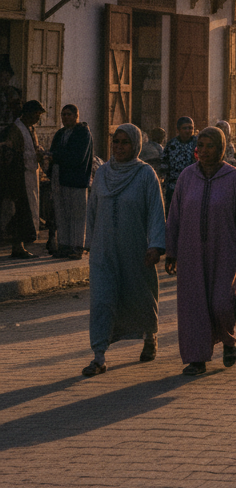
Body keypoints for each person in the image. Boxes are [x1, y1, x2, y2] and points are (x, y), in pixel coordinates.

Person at [165, 126, 236, 376]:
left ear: (221, 148)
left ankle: (229, 341)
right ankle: (197, 358)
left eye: (210, 146)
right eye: (200, 146)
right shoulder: (186, 177)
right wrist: (171, 250)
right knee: (193, 306)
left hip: (225, 252)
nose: (203, 151)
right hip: (191, 253)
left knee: (221, 304)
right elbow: (175, 216)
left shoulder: (233, 178)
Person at [82, 124, 166, 376]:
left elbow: (155, 212)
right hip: (104, 250)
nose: (118, 147)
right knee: (101, 300)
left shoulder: (145, 175)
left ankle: (150, 337)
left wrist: (155, 245)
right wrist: (90, 244)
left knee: (140, 294)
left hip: (136, 249)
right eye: (115, 142)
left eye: (125, 142)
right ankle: (98, 355)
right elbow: (93, 210)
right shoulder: (103, 173)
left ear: (136, 145)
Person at [1, 98, 45, 258]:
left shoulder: (30, 129)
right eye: (36, 114)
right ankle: (17, 246)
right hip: (17, 177)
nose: (37, 119)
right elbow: (8, 153)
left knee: (25, 211)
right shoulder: (15, 129)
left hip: (29, 176)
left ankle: (19, 246)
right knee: (20, 211)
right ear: (27, 114)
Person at [48, 104, 93, 259]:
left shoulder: (82, 133)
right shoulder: (60, 133)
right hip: (60, 178)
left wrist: (56, 157)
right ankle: (64, 245)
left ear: (76, 116)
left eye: (68, 114)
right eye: (63, 114)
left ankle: (77, 246)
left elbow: (77, 157)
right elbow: (54, 152)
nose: (65, 117)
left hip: (76, 179)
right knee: (62, 213)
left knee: (77, 215)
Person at [161, 116, 197, 204]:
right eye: (185, 128)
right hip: (174, 186)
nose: (188, 131)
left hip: (193, 186)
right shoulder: (171, 144)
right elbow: (164, 164)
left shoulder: (198, 144)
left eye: (190, 128)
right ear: (178, 130)